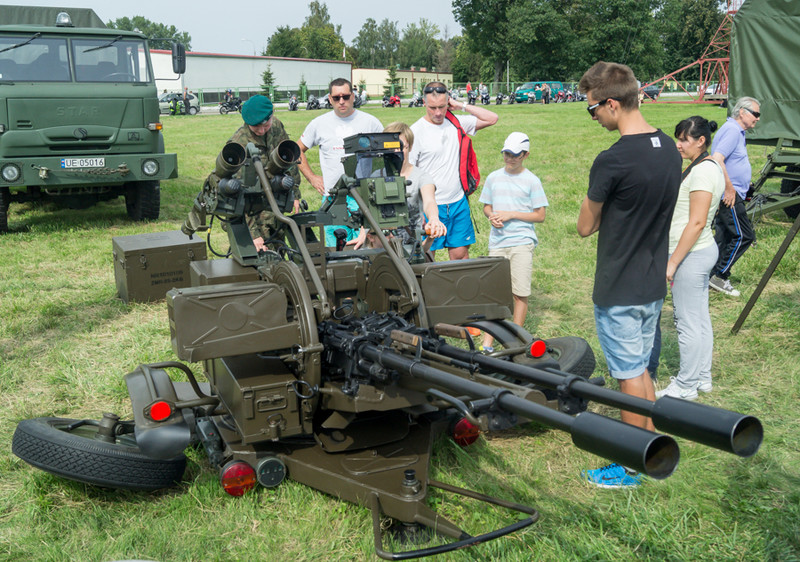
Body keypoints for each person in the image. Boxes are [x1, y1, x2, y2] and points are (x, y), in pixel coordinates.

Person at [576, 62, 681, 488]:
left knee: (629, 374)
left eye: (592, 109)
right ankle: (652, 443)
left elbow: (585, 226)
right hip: (653, 281)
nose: (593, 117)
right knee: (641, 368)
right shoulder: (669, 147)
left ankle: (632, 462)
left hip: (619, 285)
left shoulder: (612, 159)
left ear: (612, 104)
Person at [655, 116, 725, 401]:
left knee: (687, 323)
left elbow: (696, 223)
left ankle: (685, 385)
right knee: (699, 319)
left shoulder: (702, 172)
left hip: (691, 255)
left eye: (684, 139)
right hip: (697, 251)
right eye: (678, 138)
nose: (678, 144)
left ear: (701, 141)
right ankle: (702, 377)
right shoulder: (705, 166)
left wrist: (673, 262)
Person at [186, 95, 301, 248]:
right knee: (260, 253)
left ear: (272, 115)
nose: (261, 130)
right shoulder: (238, 144)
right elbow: (235, 195)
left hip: (273, 201)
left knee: (279, 244)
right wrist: (253, 235)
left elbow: (288, 160)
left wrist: (294, 193)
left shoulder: (276, 126)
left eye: (266, 125)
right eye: (256, 127)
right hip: (248, 210)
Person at [409, 81, 498, 260]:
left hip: (457, 202)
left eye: (442, 106)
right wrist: (416, 208)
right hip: (429, 206)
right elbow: (410, 173)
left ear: (448, 102)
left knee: (460, 258)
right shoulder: (415, 131)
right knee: (425, 259)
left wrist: (461, 106)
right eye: (432, 107)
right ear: (424, 103)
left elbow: (492, 118)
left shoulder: (456, 122)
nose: (438, 112)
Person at [479, 132, 548, 353]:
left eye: (515, 155)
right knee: (494, 294)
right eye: (506, 154)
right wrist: (491, 216)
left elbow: (540, 215)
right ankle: (487, 344)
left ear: (526, 155)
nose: (509, 158)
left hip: (521, 242)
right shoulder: (493, 178)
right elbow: (486, 206)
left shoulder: (532, 181)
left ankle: (515, 342)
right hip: (497, 242)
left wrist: (512, 214)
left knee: (519, 293)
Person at [297, 78, 383, 247]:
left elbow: (386, 153)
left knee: (367, 250)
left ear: (353, 96)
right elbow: (297, 150)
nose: (341, 101)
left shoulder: (370, 122)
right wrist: (312, 178)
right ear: (330, 99)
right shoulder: (319, 124)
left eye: (345, 96)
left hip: (364, 197)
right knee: (336, 250)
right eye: (336, 98)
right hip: (333, 198)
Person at [708, 96, 761, 297]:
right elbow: (717, 159)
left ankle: (708, 275)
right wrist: (730, 189)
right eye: (755, 114)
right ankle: (720, 275)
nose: (758, 118)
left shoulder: (736, 131)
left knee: (724, 237)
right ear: (742, 112)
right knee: (744, 236)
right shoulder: (732, 130)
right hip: (730, 195)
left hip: (732, 193)